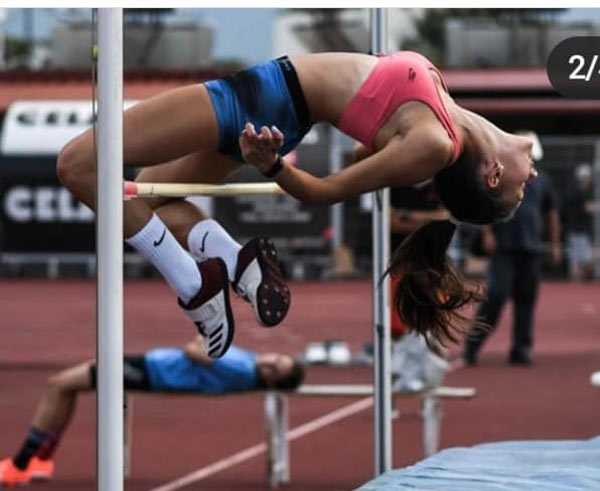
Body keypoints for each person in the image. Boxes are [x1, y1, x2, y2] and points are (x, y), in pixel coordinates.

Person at [57, 51, 538, 354]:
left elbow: (328, 191)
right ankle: (235, 262)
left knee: (78, 165)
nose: (532, 174)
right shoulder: (451, 118)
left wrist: (272, 166)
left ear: (492, 175)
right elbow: (362, 144)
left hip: (267, 99)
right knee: (148, 197)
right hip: (275, 99)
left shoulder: (436, 144)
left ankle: (194, 287)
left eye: (521, 186)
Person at [0, 338, 304, 486]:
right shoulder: (249, 363)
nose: (270, 360)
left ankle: (22, 463)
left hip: (153, 373)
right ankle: (40, 461)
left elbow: (195, 349)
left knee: (59, 384)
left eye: (276, 368)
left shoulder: (244, 369)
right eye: (278, 358)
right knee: (65, 387)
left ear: (271, 378)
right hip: (152, 367)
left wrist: (201, 341)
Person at [461, 131, 561, 366]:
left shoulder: (542, 180)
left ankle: (521, 349)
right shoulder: (501, 174)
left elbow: (551, 213)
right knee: (496, 295)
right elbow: (485, 202)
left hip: (531, 247)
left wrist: (554, 244)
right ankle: (472, 346)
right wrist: (486, 233)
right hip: (504, 246)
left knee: (526, 299)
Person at [563, 163, 599, 281]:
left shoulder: (577, 192)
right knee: (579, 258)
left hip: (578, 229)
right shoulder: (578, 193)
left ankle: (577, 280)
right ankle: (576, 281)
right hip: (577, 229)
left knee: (578, 257)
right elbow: (586, 207)